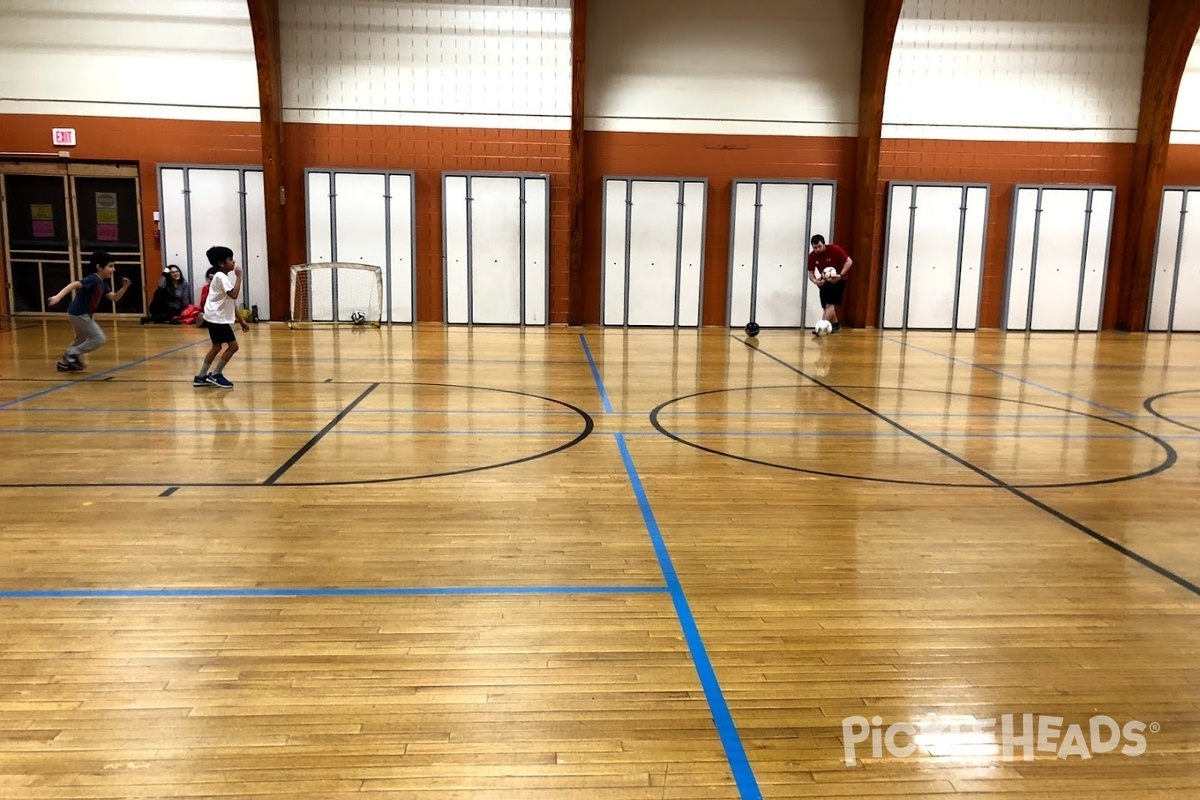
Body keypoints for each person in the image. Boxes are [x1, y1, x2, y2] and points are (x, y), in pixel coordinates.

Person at [46, 251, 131, 371]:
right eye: (110, 266)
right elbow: (74, 284)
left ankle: (64, 363)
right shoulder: (93, 279)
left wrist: (124, 288)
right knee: (99, 339)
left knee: (81, 339)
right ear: (99, 267)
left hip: (77, 313)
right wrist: (58, 297)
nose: (113, 269)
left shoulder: (102, 282)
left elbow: (114, 298)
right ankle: (71, 354)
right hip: (80, 314)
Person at [193, 246, 249, 389]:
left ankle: (201, 377)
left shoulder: (221, 277)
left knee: (216, 347)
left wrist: (241, 320)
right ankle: (216, 374)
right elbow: (235, 295)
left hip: (214, 317)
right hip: (217, 319)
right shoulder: (221, 277)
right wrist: (240, 276)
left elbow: (230, 300)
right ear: (221, 263)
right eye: (230, 259)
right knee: (233, 347)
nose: (233, 261)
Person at [807, 234, 853, 334]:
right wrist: (816, 281)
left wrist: (840, 275)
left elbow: (849, 261)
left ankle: (820, 328)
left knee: (830, 305)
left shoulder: (835, 249)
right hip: (825, 281)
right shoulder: (812, 256)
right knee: (825, 306)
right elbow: (810, 273)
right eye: (815, 247)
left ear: (824, 244)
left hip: (838, 280)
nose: (817, 249)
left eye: (819, 246)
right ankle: (836, 324)